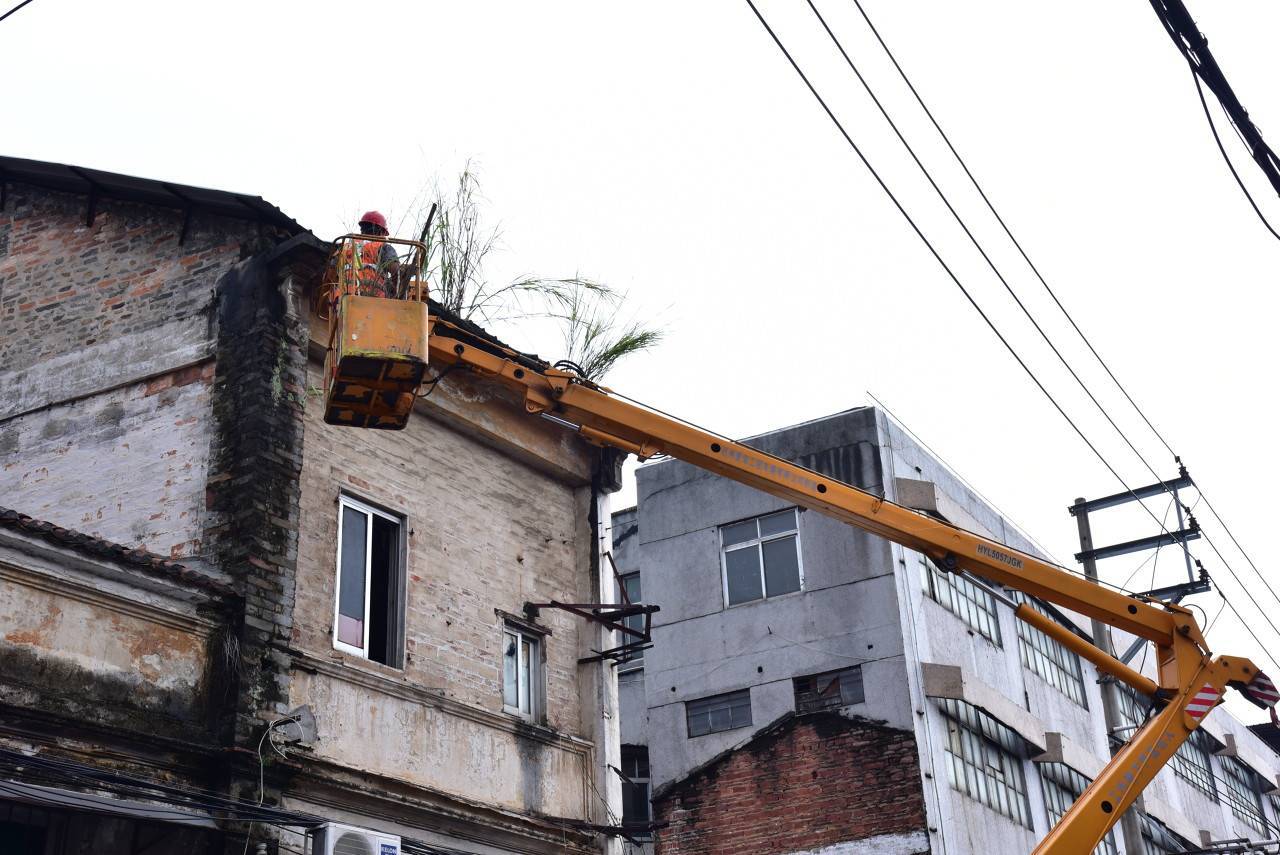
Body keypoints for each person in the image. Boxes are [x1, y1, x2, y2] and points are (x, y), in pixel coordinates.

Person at [345, 211, 400, 297]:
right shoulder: (382, 247)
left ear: (362, 230)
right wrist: (395, 291)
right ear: (381, 233)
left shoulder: (346, 247)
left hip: (342, 298)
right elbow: (395, 269)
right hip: (372, 298)